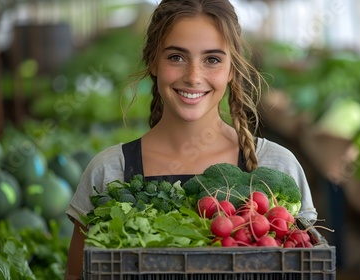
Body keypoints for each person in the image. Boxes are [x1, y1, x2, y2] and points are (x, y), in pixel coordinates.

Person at [64, 0, 317, 278]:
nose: (194, 77)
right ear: (153, 62)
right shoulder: (107, 171)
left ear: (232, 69)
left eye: (212, 59)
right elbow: (77, 275)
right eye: (176, 57)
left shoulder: (278, 165)